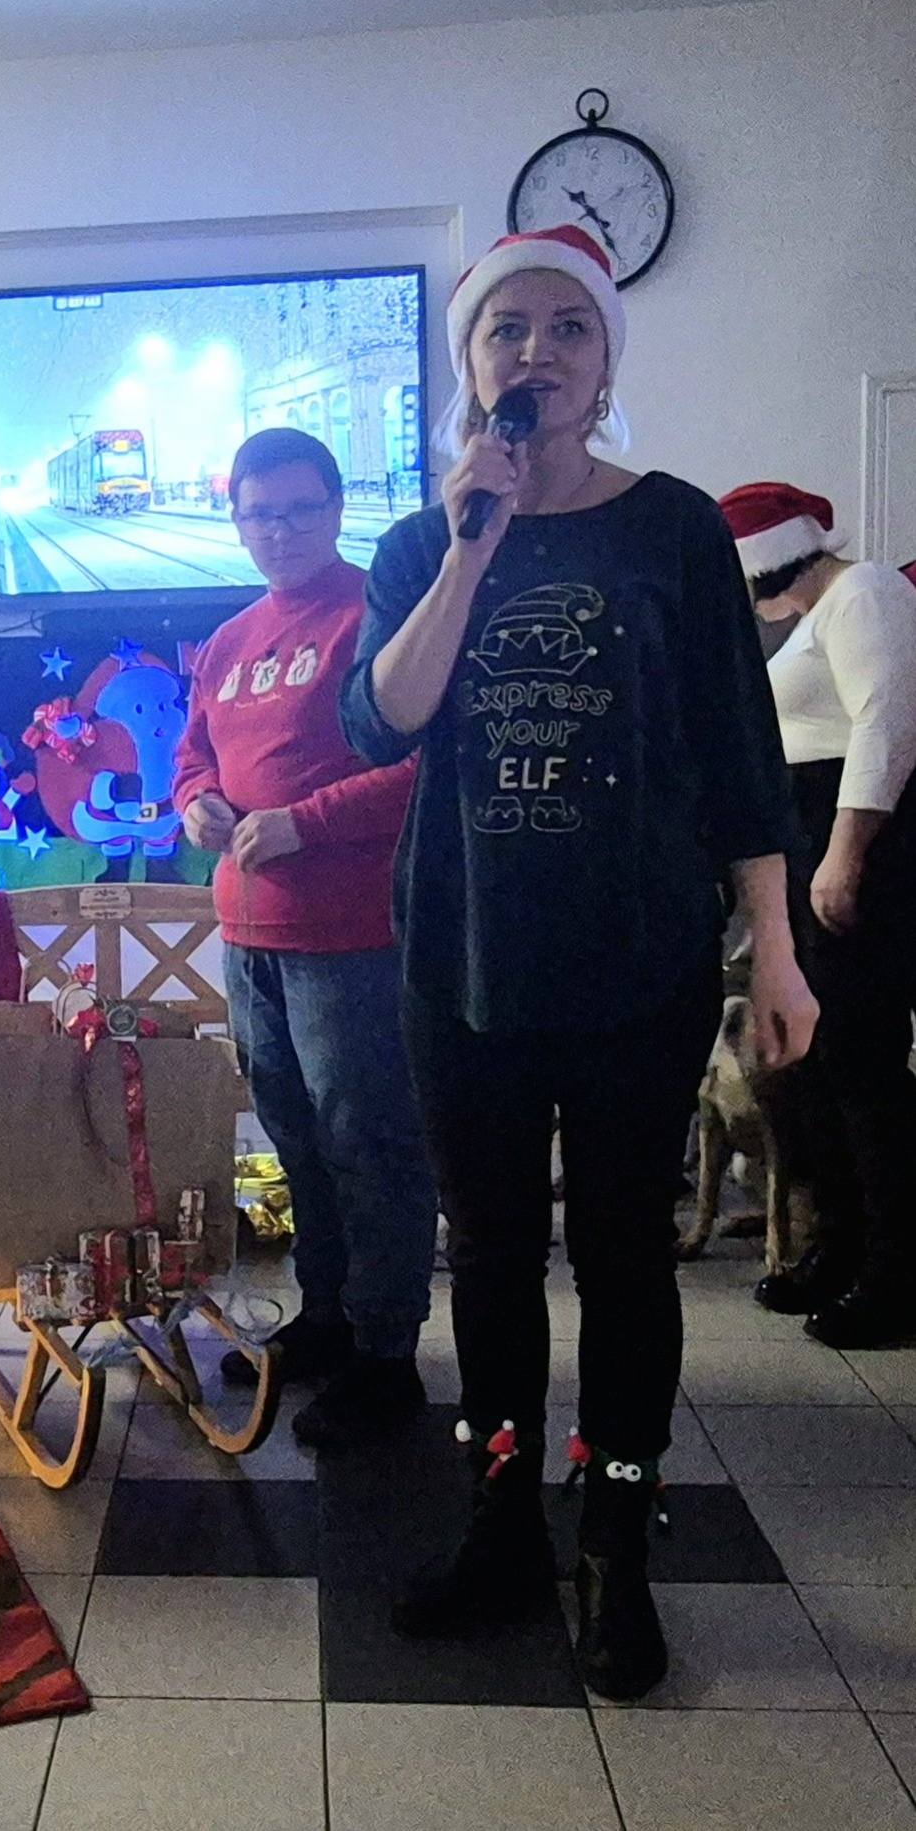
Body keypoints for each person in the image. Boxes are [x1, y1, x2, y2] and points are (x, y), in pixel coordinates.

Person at [339, 226, 816, 1701]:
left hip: (635, 962)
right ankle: (498, 1519)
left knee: (619, 1255)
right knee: (486, 1253)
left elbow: (738, 756)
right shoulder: (421, 540)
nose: (534, 352)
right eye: (506, 329)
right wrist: (468, 546)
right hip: (462, 961)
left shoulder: (671, 527)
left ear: (604, 363)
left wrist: (777, 951)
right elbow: (384, 717)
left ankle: (613, 1533)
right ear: (467, 362)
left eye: (566, 328)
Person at [173, 426, 435, 1448]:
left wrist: (303, 823)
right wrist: (195, 800)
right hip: (248, 934)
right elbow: (192, 755)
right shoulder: (230, 638)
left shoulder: (380, 613)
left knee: (370, 1143)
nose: (277, 530)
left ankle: (386, 1353)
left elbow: (423, 767)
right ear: (235, 521)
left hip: (351, 936)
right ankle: (326, 1317)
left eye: (297, 509)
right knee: (297, 1142)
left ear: (336, 507)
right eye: (258, 514)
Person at [719, 482, 916, 1346]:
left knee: (861, 1063)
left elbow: (885, 723)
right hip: (802, 838)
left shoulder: (864, 590)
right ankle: (838, 1246)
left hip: (854, 841)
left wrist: (844, 854)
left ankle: (896, 1274)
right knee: (814, 1062)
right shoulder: (807, 616)